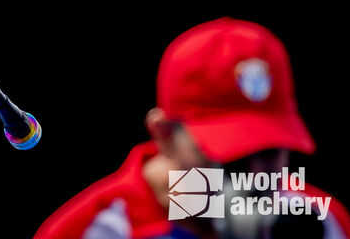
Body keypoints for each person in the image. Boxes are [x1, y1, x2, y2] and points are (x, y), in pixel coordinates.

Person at [35, 17, 349, 239]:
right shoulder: (90, 230)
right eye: (231, 158)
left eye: (269, 154)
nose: (253, 178)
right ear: (163, 134)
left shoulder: (323, 220)